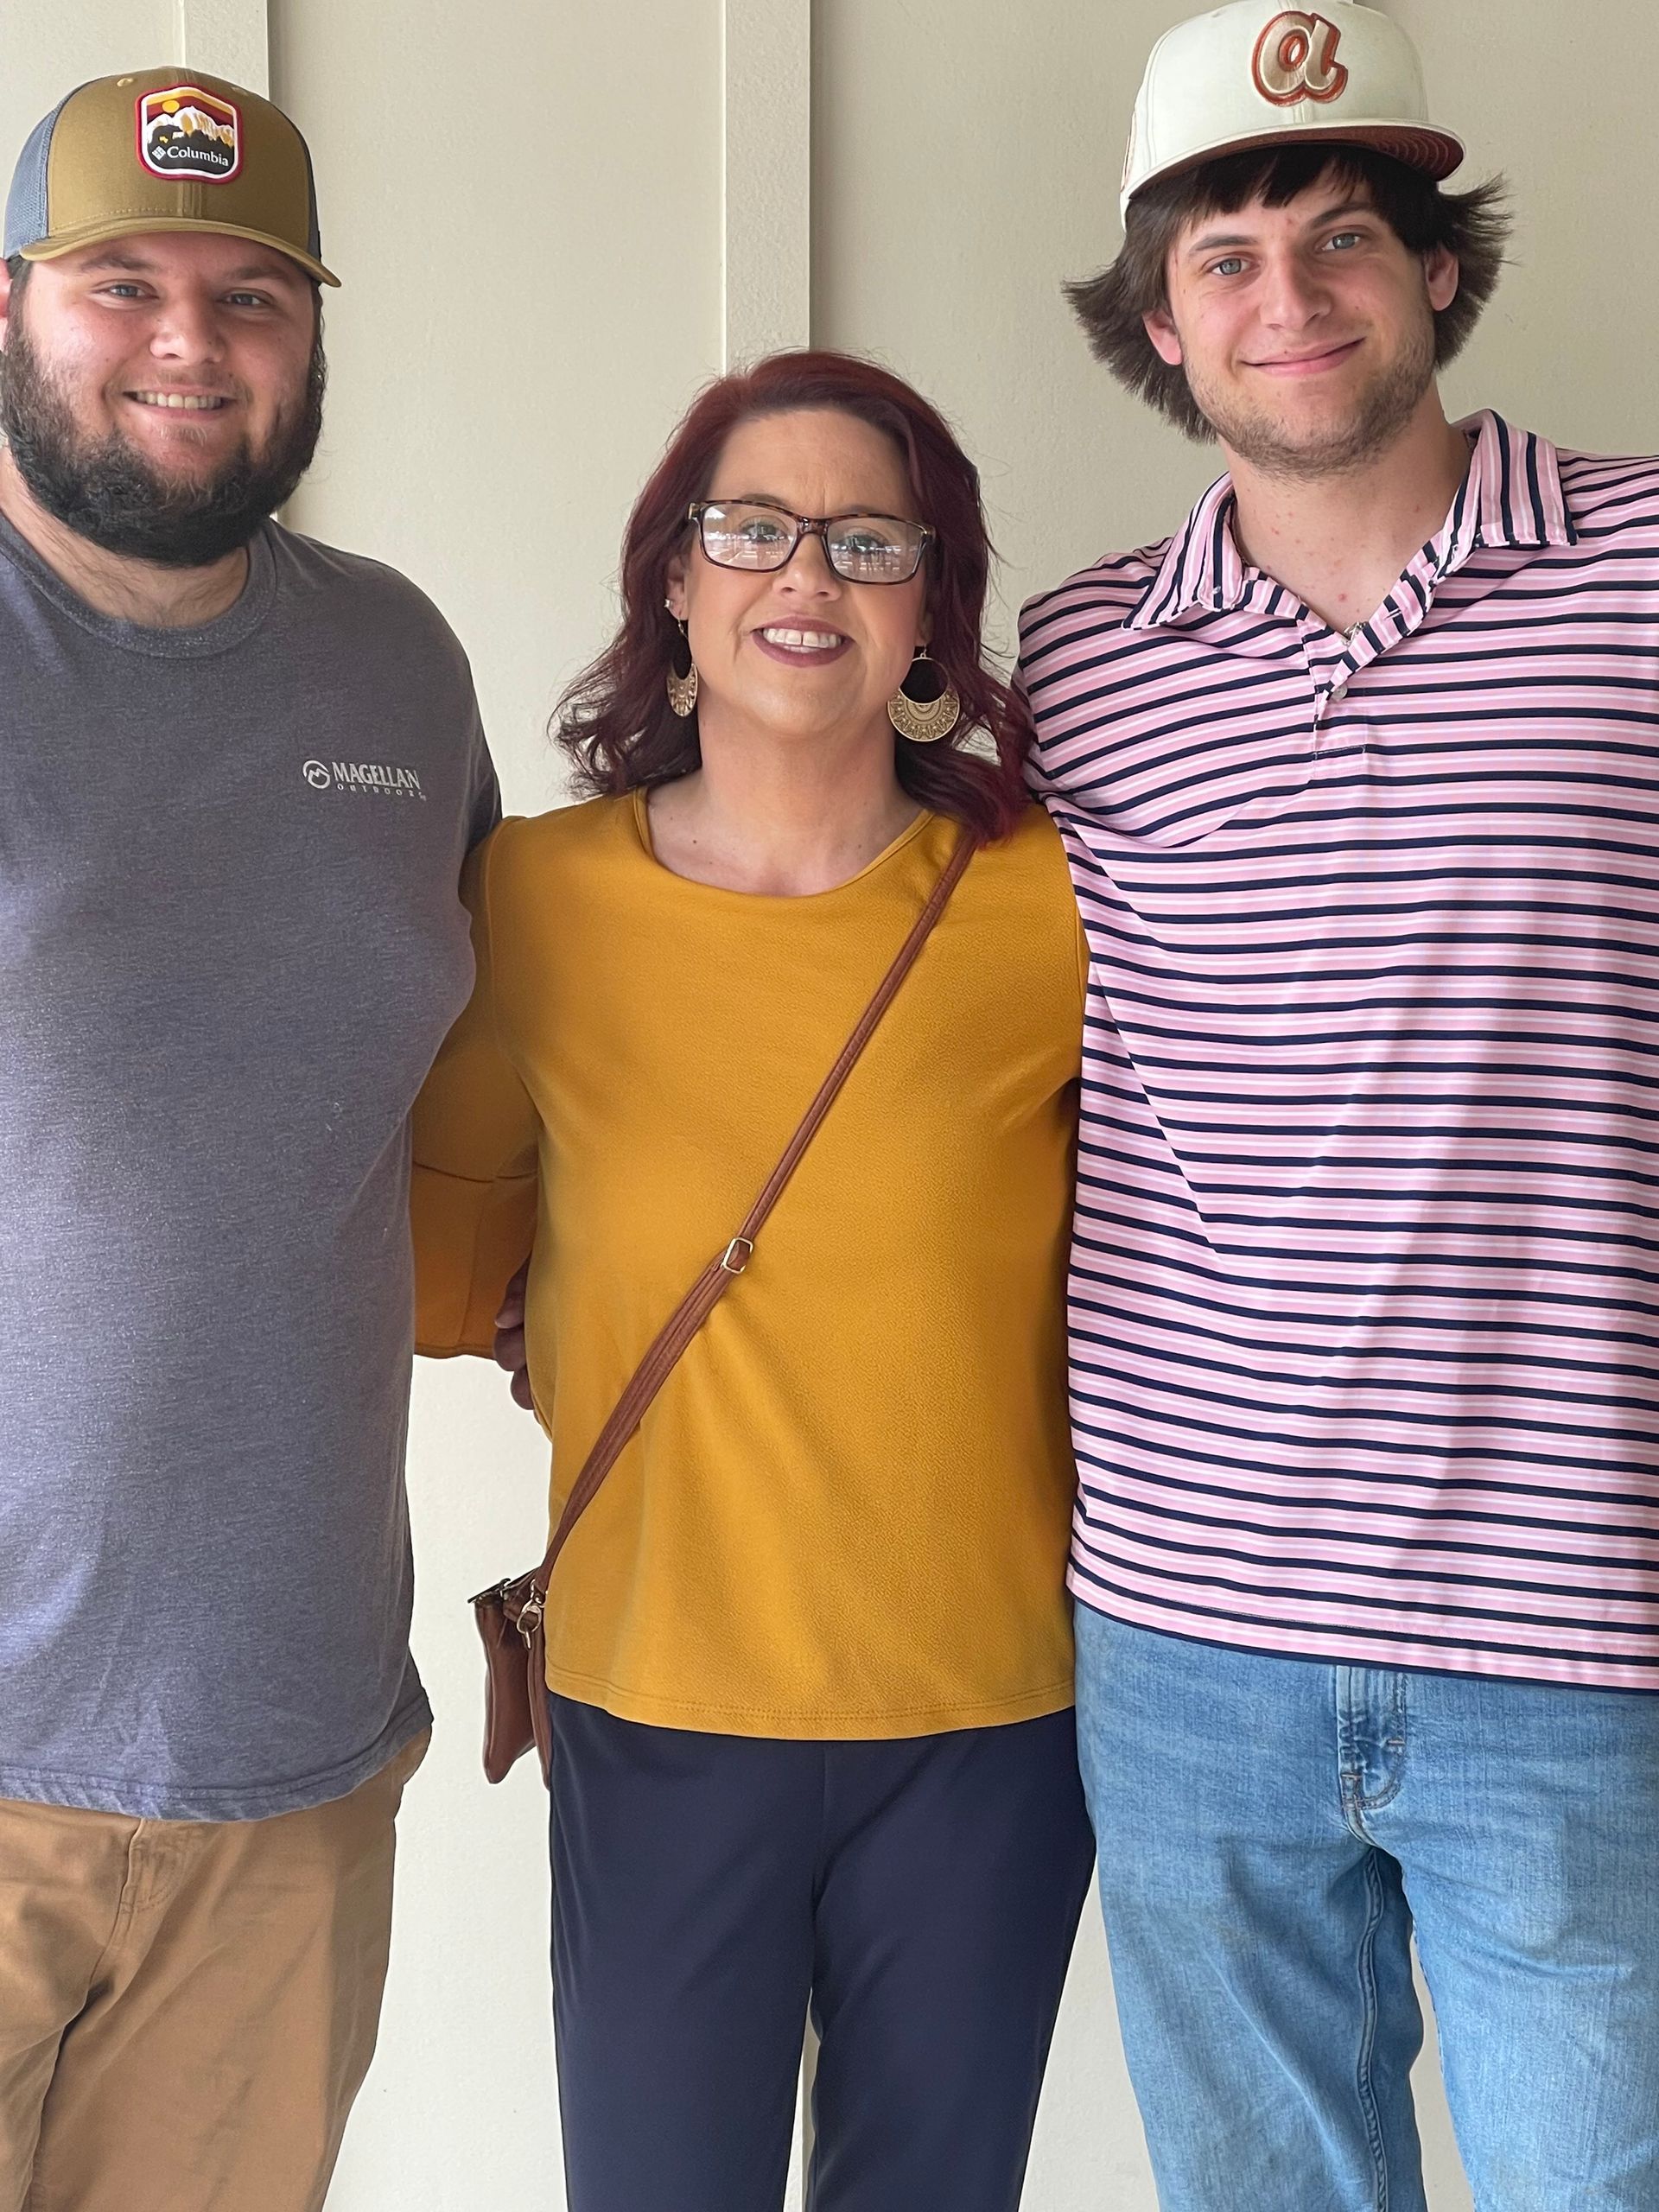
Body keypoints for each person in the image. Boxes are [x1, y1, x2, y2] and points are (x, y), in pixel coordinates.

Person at [1017, 4, 1659, 2207]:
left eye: (1344, 234)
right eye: (1226, 257)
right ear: (1162, 326)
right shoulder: (1077, 661)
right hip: (1187, 1632)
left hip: (1578, 1625)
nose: (1287, 294)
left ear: (1441, 274)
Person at [412, 349, 1095, 2212]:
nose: (811, 575)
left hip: (991, 1722)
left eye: (874, 540)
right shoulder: (534, 896)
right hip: (659, 1703)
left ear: (933, 606)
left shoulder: (1055, 900)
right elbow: (443, 1261)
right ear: (676, 582)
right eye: (756, 530)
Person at [0, 68, 497, 2212]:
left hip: (282, 1758)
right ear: (14, 306)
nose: (191, 342)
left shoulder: (395, 664)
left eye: (253, 293)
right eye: (125, 283)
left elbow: (516, 1105)